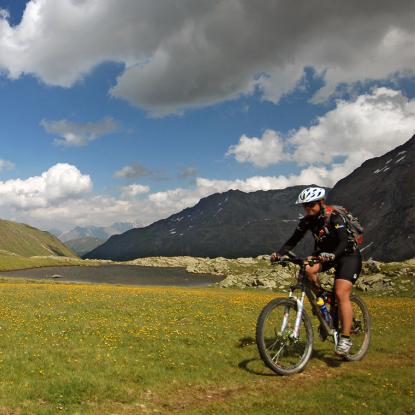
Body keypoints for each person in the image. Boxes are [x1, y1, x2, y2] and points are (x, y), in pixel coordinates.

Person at [271, 186, 362, 356]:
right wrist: (279, 254)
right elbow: (293, 240)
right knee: (307, 270)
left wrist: (333, 256)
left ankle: (345, 338)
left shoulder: (334, 217)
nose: (308, 208)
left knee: (341, 293)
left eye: (311, 204)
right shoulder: (307, 221)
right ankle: (323, 302)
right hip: (324, 255)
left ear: (321, 202)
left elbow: (343, 241)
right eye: (305, 205)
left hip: (348, 255)